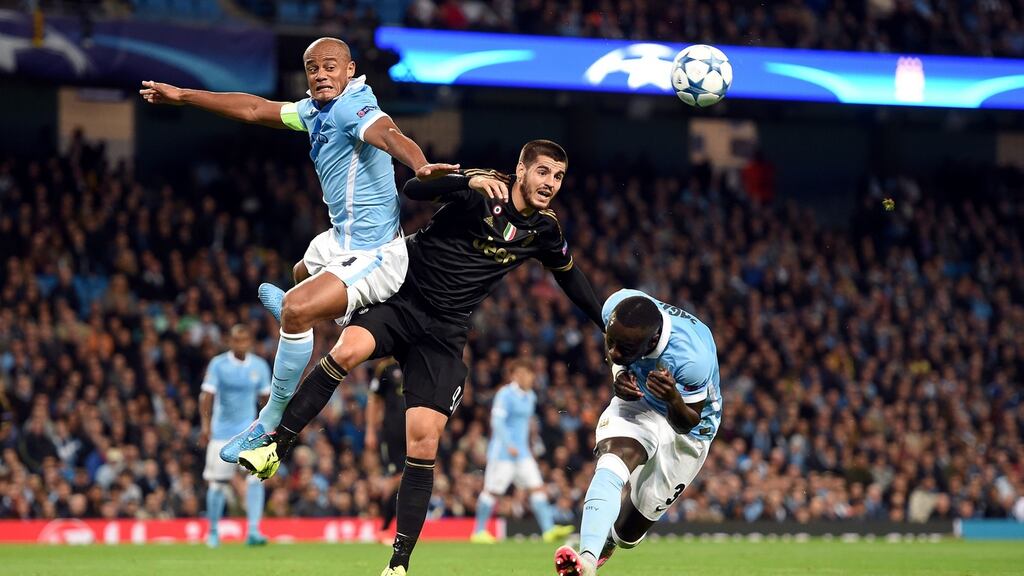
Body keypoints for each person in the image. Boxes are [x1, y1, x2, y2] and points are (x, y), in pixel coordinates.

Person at [240, 140, 605, 576]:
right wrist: (466, 177)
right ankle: (274, 445)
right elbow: (413, 188)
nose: (550, 183)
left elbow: (572, 280)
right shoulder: (482, 189)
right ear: (521, 170)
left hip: (445, 332)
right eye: (543, 171)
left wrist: (607, 323)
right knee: (348, 350)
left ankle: (398, 565)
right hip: (402, 297)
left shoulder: (545, 230)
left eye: (559, 176)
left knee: (425, 442)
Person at [140, 37, 458, 462]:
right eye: (312, 68)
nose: (321, 74)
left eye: (330, 66)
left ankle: (267, 421)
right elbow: (253, 108)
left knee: (294, 307)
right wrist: (184, 95)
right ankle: (308, 324)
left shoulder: (354, 106)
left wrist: (419, 164)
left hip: (376, 252)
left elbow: (388, 133)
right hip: (338, 239)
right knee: (298, 275)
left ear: (349, 70)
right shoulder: (313, 111)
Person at [554, 289, 722, 576]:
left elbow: (688, 421)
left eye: (625, 350)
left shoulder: (692, 359)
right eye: (611, 343)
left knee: (628, 533)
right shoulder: (618, 307)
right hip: (638, 403)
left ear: (652, 341)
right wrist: (618, 373)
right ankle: (587, 561)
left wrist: (673, 399)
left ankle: (608, 542)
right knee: (612, 463)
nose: (614, 353)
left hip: (688, 428)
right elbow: (616, 354)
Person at [471, 359, 574, 544]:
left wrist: (530, 446)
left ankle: (548, 530)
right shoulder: (505, 394)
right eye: (520, 373)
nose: (525, 377)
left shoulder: (531, 396)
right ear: (514, 375)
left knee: (537, 488)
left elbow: (526, 425)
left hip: (523, 454)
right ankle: (478, 532)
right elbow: (497, 422)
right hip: (503, 453)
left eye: (528, 373)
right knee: (492, 491)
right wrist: (508, 444)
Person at [198, 324, 272, 547]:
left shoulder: (259, 366)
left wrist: (266, 429)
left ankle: (253, 531)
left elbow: (266, 400)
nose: (241, 344)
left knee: (256, 479)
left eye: (245, 339)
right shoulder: (218, 364)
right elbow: (207, 396)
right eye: (237, 340)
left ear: (249, 341)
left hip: (250, 434)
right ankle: (212, 532)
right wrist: (205, 426)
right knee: (217, 484)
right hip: (222, 433)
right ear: (230, 342)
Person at [366, 358, 406, 544]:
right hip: (392, 432)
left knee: (408, 477)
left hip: (414, 432)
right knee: (395, 478)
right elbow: (374, 400)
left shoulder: (416, 362)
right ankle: (385, 527)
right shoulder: (386, 367)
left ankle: (396, 528)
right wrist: (371, 431)